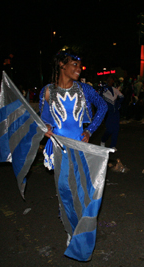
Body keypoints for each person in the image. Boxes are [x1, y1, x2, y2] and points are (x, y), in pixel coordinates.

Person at [39, 49, 107, 249]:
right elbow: (43, 119)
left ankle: (80, 228)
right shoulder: (48, 91)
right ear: (62, 65)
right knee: (64, 191)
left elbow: (102, 106)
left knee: (81, 191)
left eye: (80, 65)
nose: (79, 68)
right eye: (74, 64)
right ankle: (71, 230)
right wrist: (47, 129)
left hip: (79, 147)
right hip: (59, 147)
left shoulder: (84, 89)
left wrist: (89, 131)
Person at [100, 75, 124, 150]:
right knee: (109, 129)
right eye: (108, 80)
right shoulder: (103, 89)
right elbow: (98, 98)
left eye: (110, 80)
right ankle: (103, 140)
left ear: (113, 81)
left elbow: (122, 96)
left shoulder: (115, 89)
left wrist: (118, 104)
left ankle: (112, 145)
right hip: (108, 113)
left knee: (116, 129)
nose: (109, 81)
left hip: (116, 112)